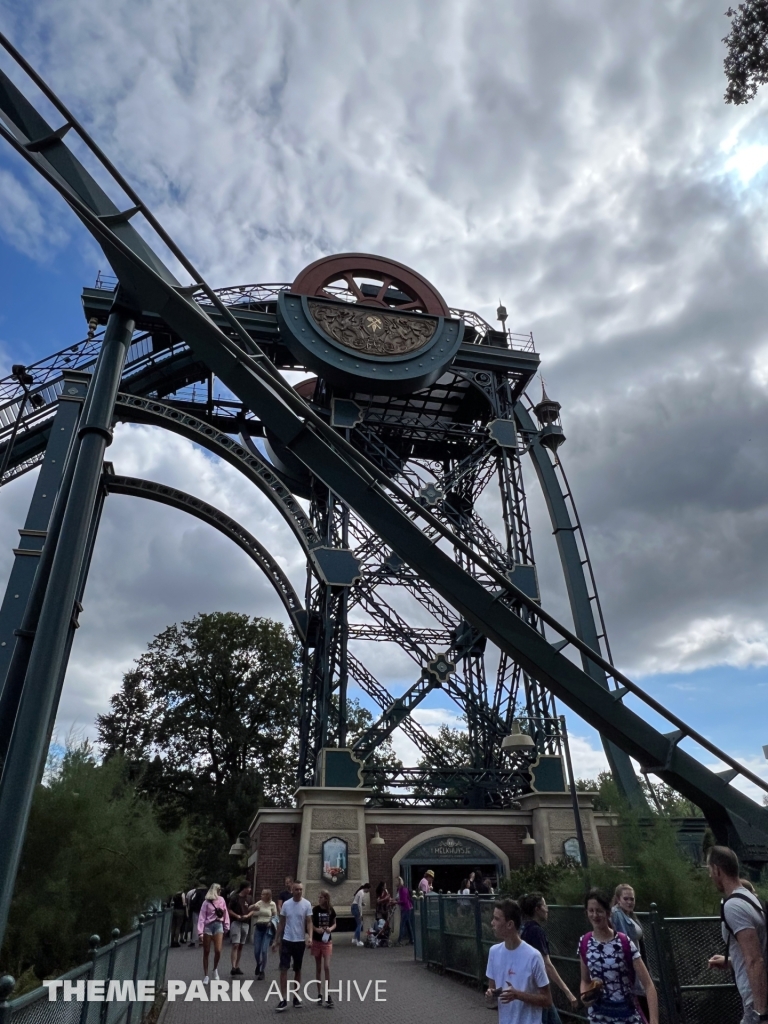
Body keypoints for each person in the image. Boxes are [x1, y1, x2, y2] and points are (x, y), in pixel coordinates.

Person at [707, 844, 768, 1024]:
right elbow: (759, 949)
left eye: (709, 870)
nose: (710, 875)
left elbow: (755, 960)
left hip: (755, 999)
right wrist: (732, 961)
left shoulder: (733, 906)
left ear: (717, 870)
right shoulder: (752, 899)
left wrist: (760, 1014)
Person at [578, 888, 658, 1024]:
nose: (595, 915)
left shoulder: (623, 942)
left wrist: (654, 1020)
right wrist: (585, 995)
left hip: (626, 1015)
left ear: (608, 913)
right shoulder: (585, 942)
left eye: (599, 911)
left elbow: (648, 985)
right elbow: (585, 980)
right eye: (591, 911)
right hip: (599, 1017)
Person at [485, 898, 552, 1022]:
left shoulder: (533, 956)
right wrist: (491, 995)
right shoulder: (494, 952)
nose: (492, 922)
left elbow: (547, 1000)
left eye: (497, 919)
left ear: (510, 924)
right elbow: (493, 992)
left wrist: (518, 995)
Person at [519, 893, 577, 1022]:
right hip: (538, 990)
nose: (547, 908)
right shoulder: (536, 932)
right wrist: (567, 992)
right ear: (537, 909)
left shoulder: (523, 929)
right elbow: (547, 964)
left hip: (528, 985)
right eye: (544, 905)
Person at [271, 880, 312, 1012]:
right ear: (292, 890)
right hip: (287, 940)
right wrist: (276, 940)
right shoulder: (287, 905)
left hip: (299, 941)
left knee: (298, 970)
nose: (299, 891)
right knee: (283, 969)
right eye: (297, 889)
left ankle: (296, 996)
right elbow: (281, 923)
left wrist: (309, 936)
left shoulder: (307, 904)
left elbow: (309, 922)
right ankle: (283, 999)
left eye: (301, 889)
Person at [611, 884, 648, 1018]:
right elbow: (624, 944)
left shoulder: (629, 915)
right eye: (626, 899)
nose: (629, 902)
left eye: (632, 899)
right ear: (618, 899)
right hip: (631, 969)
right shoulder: (617, 914)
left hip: (638, 964)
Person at [198, 883, 230, 985]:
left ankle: (215, 969)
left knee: (218, 950)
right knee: (206, 951)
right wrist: (200, 932)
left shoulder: (221, 900)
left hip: (218, 925)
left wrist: (226, 925)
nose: (220, 891)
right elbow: (202, 917)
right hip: (208, 926)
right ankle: (206, 975)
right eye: (219, 890)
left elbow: (225, 913)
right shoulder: (206, 902)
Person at [311, 889, 337, 1008]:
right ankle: (319, 993)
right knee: (318, 968)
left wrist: (330, 929)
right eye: (319, 897)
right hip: (317, 940)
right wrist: (316, 930)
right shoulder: (315, 910)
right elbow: (310, 924)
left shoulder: (330, 910)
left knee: (326, 966)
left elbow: (334, 923)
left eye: (321, 897)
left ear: (326, 898)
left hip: (327, 941)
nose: (319, 899)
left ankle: (328, 994)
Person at [250, 887, 277, 980]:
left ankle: (262, 971)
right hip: (259, 927)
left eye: (263, 894)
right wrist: (253, 907)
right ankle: (258, 963)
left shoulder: (272, 904)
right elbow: (250, 909)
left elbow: (275, 916)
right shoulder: (259, 903)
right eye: (261, 894)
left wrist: (271, 922)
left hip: (267, 928)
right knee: (256, 951)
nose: (261, 895)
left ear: (267, 895)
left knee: (264, 951)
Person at [228, 882, 252, 976]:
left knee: (241, 945)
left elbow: (252, 910)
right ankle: (233, 967)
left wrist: (247, 915)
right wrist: (237, 916)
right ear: (244, 888)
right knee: (235, 944)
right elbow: (229, 910)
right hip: (236, 922)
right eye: (248, 888)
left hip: (245, 923)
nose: (250, 890)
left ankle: (237, 966)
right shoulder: (235, 898)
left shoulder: (250, 898)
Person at [396, 876, 414, 945]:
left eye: (396, 881)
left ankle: (399, 940)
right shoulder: (399, 889)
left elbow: (404, 901)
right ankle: (412, 939)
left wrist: (396, 902)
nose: (395, 883)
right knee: (408, 924)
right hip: (406, 908)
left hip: (406, 908)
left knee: (402, 924)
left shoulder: (403, 890)